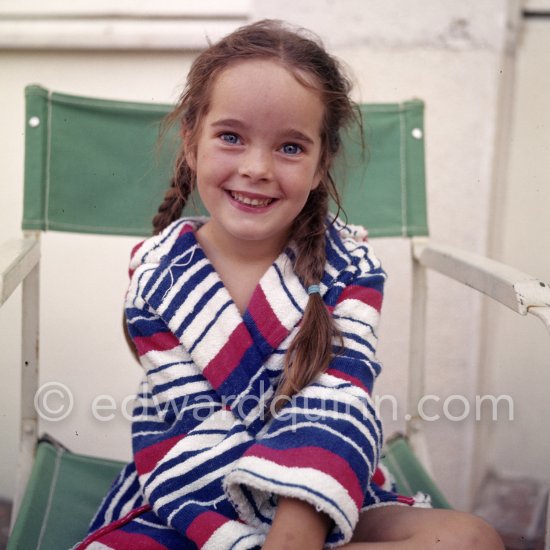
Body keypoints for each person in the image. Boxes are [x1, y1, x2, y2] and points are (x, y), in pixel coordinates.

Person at [76, 19, 503, 550]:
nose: (256, 168)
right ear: (191, 142)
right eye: (231, 137)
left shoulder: (349, 267)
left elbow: (338, 404)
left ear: (323, 163)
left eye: (291, 148)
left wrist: (292, 539)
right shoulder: (159, 277)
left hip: (326, 489)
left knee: (472, 539)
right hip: (195, 497)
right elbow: (186, 429)